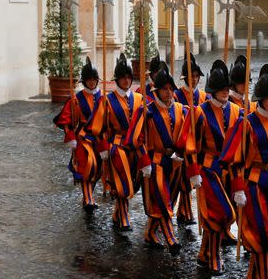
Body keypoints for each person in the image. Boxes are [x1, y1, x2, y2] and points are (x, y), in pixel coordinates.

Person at [221, 64, 268, 279]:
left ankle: (252, 275)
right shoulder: (245, 122)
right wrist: (238, 185)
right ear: (260, 98)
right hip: (252, 184)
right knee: (262, 234)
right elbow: (231, 158)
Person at [182, 60, 241, 275]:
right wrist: (193, 172)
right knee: (219, 214)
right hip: (208, 170)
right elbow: (189, 144)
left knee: (215, 217)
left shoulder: (236, 111)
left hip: (229, 171)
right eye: (221, 89)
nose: (225, 92)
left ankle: (204, 253)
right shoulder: (199, 112)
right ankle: (214, 256)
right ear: (213, 91)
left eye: (227, 88)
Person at [127, 63, 189, 253]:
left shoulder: (182, 109)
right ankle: (171, 239)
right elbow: (135, 139)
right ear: (157, 90)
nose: (169, 93)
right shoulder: (147, 111)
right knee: (163, 201)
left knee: (167, 199)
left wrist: (182, 153)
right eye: (164, 89)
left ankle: (150, 233)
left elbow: (187, 136)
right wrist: (144, 161)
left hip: (175, 163)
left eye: (171, 89)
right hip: (155, 163)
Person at [89, 53, 146, 231]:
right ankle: (123, 216)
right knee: (122, 183)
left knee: (135, 183)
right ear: (117, 80)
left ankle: (118, 212)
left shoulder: (140, 99)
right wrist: (103, 148)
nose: (126, 81)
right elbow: (97, 128)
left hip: (135, 147)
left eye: (129, 77)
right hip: (117, 146)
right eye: (123, 78)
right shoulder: (106, 100)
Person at [53, 58, 103, 213]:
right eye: (89, 80)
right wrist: (70, 137)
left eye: (94, 79)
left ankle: (88, 196)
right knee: (87, 168)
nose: (92, 82)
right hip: (83, 138)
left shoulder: (104, 98)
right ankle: (88, 199)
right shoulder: (76, 99)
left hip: (99, 139)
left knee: (97, 170)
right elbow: (65, 120)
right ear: (84, 81)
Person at [173, 53, 207, 224]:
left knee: (193, 174)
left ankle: (185, 209)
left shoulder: (203, 96)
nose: (194, 79)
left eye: (196, 76)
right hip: (183, 139)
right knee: (183, 177)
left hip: (199, 141)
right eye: (191, 76)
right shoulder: (176, 95)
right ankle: (184, 210)